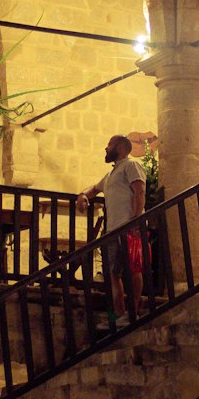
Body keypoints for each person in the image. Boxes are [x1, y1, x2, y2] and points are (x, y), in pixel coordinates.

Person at [78, 133, 146, 321]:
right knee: (112, 273)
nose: (106, 148)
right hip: (112, 231)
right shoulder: (110, 175)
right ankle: (119, 313)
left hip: (129, 227)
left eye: (109, 145)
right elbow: (93, 189)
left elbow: (140, 191)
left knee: (133, 269)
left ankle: (133, 312)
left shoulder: (131, 165)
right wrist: (82, 195)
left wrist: (136, 220)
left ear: (121, 147)